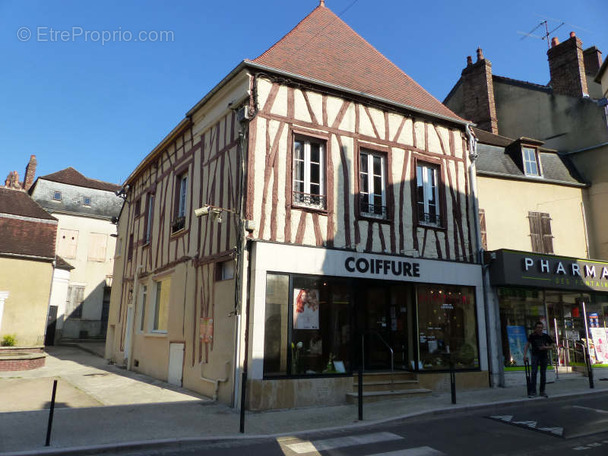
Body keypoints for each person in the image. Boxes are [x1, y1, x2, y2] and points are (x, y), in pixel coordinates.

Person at [523, 321, 555, 398]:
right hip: (535, 355)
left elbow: (553, 346)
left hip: (543, 356)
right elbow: (527, 345)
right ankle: (533, 391)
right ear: (535, 328)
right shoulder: (532, 336)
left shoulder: (546, 336)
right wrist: (524, 355)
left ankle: (542, 391)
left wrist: (545, 347)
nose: (540, 329)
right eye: (538, 327)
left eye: (541, 327)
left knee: (543, 373)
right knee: (534, 373)